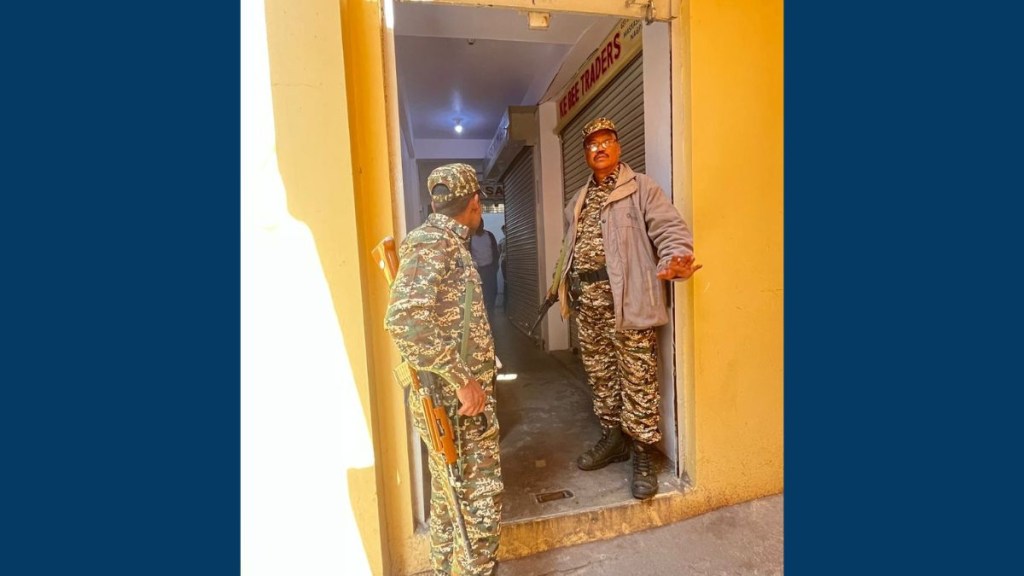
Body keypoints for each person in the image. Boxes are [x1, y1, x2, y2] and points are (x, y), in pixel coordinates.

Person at [546, 117, 702, 500]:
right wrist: (559, 284)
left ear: (617, 147)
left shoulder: (641, 189)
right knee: (601, 376)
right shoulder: (577, 201)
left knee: (638, 378)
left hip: (628, 300)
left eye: (606, 141)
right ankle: (614, 437)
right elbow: (570, 247)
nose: (599, 148)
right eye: (592, 144)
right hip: (589, 306)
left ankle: (644, 452)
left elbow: (668, 229)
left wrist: (676, 257)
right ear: (586, 153)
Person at [385, 163, 503, 575]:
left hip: (453, 402)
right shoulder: (433, 243)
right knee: (478, 505)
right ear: (475, 203)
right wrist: (463, 380)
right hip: (454, 405)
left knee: (449, 498)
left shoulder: (448, 242)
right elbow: (404, 320)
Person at [470, 223, 500, 313]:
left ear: (483, 225)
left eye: (481, 224)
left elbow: (495, 252)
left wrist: (495, 267)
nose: (479, 226)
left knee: (491, 292)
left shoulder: (489, 235)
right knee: (477, 294)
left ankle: (490, 313)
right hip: (476, 271)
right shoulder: (470, 237)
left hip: (489, 269)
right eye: (477, 225)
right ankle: (479, 313)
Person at [497, 225, 508, 308]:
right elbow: (499, 252)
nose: (504, 232)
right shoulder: (501, 241)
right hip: (505, 261)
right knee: (506, 281)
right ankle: (505, 302)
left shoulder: (512, 240)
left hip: (512, 262)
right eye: (503, 231)